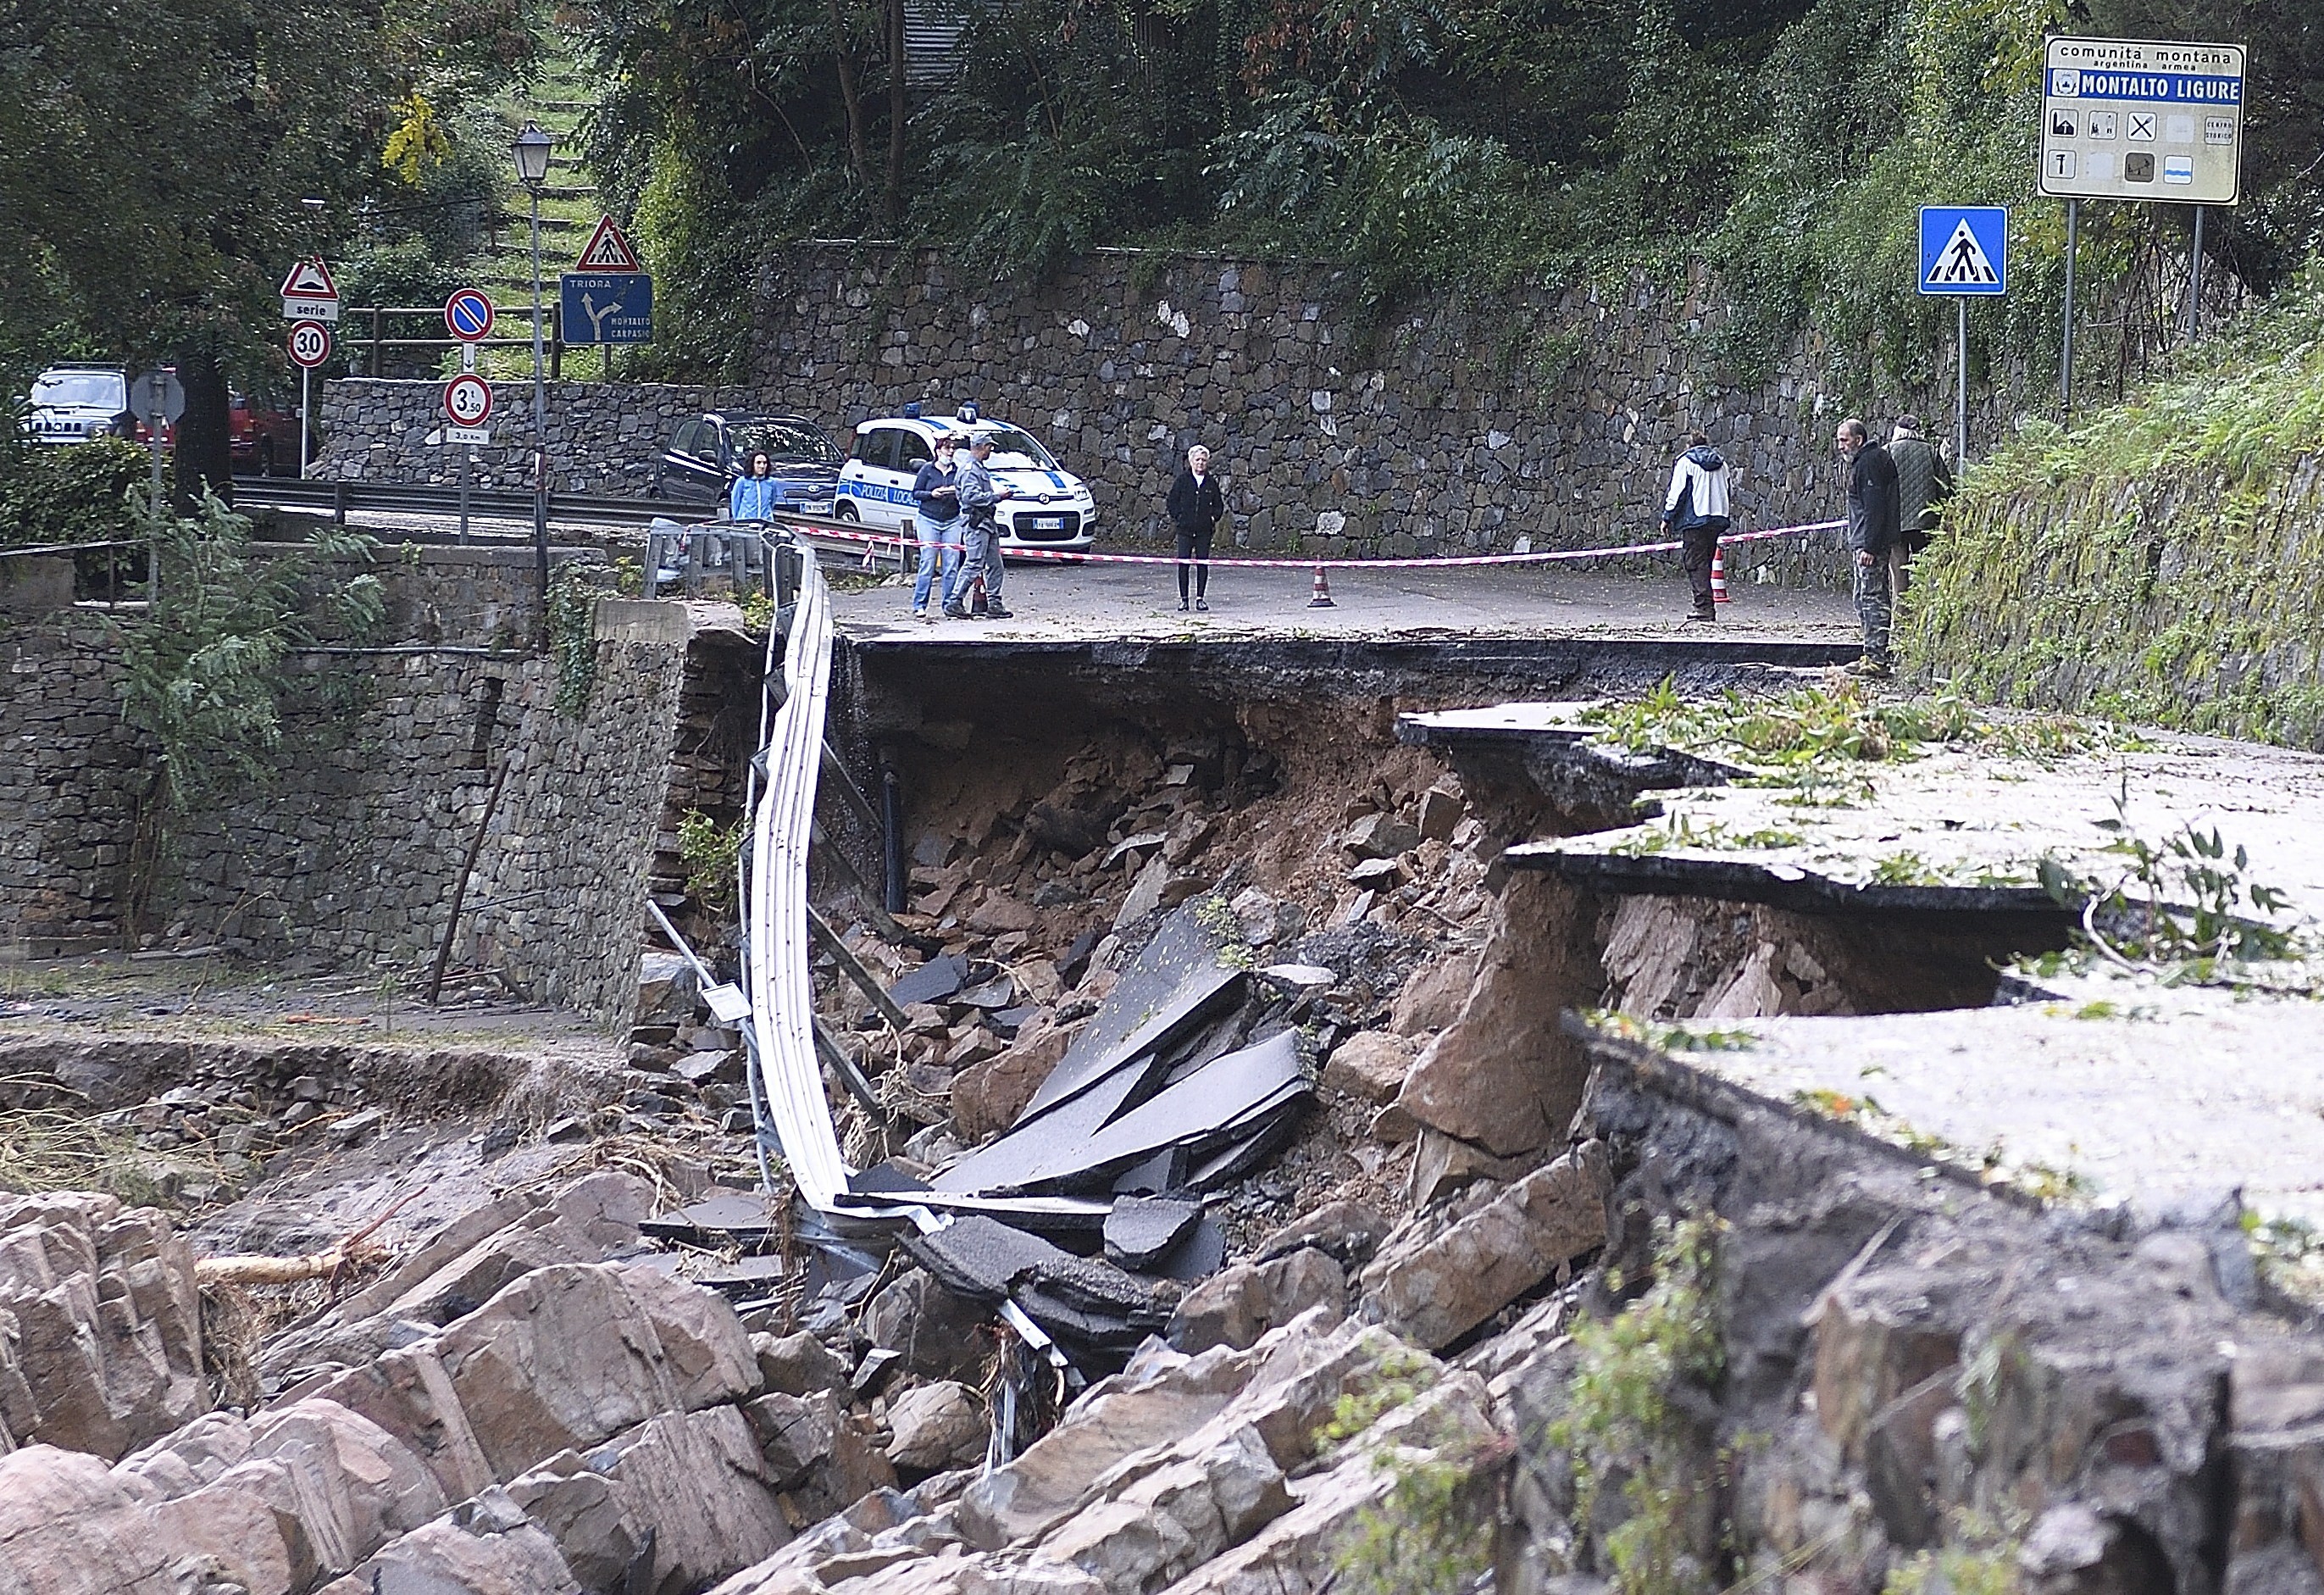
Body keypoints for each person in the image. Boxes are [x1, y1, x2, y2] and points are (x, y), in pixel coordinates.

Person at [1837, 417, 1900, 678]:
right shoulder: (1868, 461)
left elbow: (1875, 508)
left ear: (1858, 440)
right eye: (1839, 440)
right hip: (1864, 540)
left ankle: (1877, 658)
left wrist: (1870, 547)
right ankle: (1871, 654)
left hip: (1869, 544)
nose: (1840, 445)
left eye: (1844, 440)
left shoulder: (1870, 463)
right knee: (1862, 598)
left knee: (1872, 598)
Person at [1659, 429, 1730, 622]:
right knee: (1706, 561)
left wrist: (1667, 518)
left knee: (1694, 563)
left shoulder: (1686, 462)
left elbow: (1677, 493)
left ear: (1689, 445)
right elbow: (1727, 488)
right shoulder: (1721, 463)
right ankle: (1706, 605)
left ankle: (1704, 607)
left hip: (1695, 519)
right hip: (1717, 517)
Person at [946, 433, 1013, 620]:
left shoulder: (978, 468)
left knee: (995, 565)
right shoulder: (969, 470)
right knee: (974, 563)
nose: (990, 450)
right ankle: (955, 601)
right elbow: (971, 497)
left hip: (987, 522)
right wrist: (998, 496)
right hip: (976, 522)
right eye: (989, 447)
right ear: (981, 447)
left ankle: (994, 603)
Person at [1886, 414, 1954, 597]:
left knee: (1899, 573)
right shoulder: (1930, 452)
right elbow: (1945, 486)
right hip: (1925, 522)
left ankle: (1901, 618)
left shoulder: (1889, 451)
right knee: (1925, 570)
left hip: (1896, 523)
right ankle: (1923, 609)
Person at [1166, 444, 1226, 612]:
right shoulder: (1182, 481)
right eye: (1198, 460)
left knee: (1202, 564)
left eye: (1204, 460)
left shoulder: (1211, 483)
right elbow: (1172, 502)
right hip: (1185, 530)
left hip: (1204, 531)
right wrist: (1179, 517)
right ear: (1191, 461)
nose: (1200, 463)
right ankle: (1184, 599)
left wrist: (1213, 518)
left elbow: (1218, 505)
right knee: (1183, 563)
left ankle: (1200, 598)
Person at [909, 434, 962, 621]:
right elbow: (916, 493)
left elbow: (965, 492)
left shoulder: (958, 471)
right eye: (947, 448)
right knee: (928, 562)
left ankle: (949, 605)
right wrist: (932, 494)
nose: (951, 452)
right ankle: (919, 605)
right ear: (938, 451)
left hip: (952, 519)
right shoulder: (927, 470)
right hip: (928, 518)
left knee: (951, 563)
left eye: (953, 449)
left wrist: (957, 493)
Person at [729, 452, 779, 520]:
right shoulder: (742, 482)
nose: (762, 466)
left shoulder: (771, 482)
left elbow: (772, 502)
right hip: (745, 523)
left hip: (766, 522)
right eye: (758, 462)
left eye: (765, 463)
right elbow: (735, 503)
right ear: (752, 464)